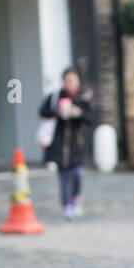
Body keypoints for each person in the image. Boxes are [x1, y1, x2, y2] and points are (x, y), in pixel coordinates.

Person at [38, 67, 93, 220]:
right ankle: (66, 205)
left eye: (73, 80)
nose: (70, 83)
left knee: (77, 173)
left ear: (78, 81)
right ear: (63, 82)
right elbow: (42, 112)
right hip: (59, 144)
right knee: (63, 176)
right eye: (67, 80)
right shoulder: (55, 97)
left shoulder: (82, 98)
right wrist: (57, 111)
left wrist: (78, 113)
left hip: (76, 144)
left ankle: (75, 199)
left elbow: (90, 119)